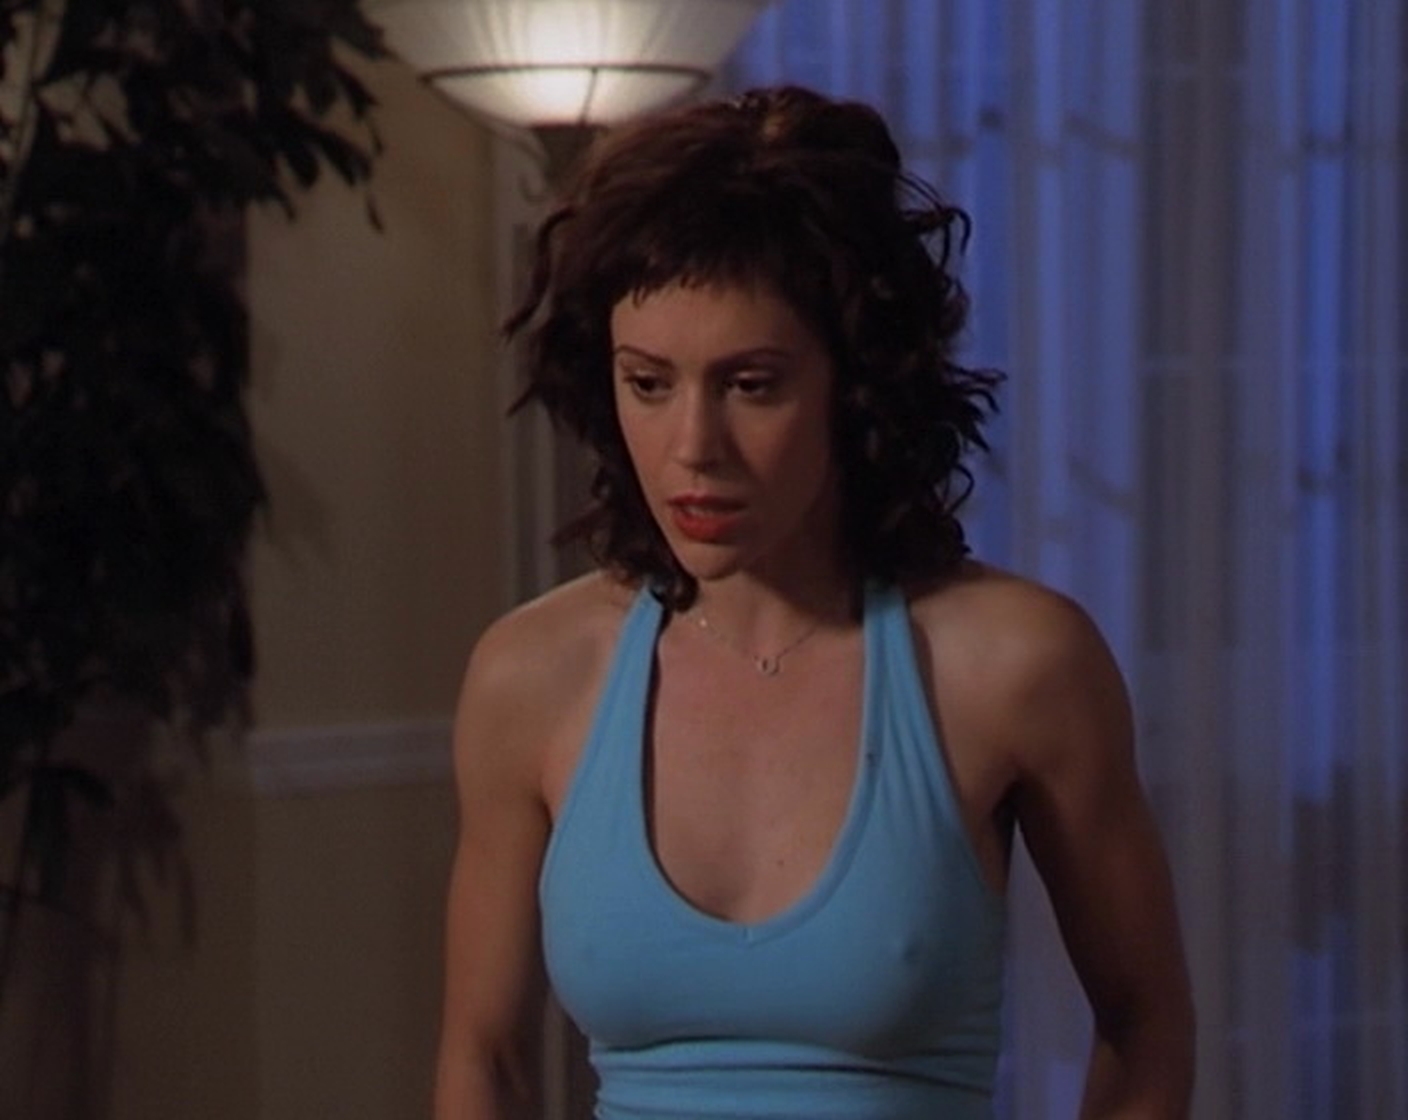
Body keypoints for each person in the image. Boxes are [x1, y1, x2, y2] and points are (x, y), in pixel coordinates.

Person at [434, 85, 1195, 1120]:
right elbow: (481, 1057)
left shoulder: (1014, 664)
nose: (693, 448)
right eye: (648, 383)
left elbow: (1148, 1026)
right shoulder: (534, 674)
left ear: (856, 381)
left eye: (751, 384)